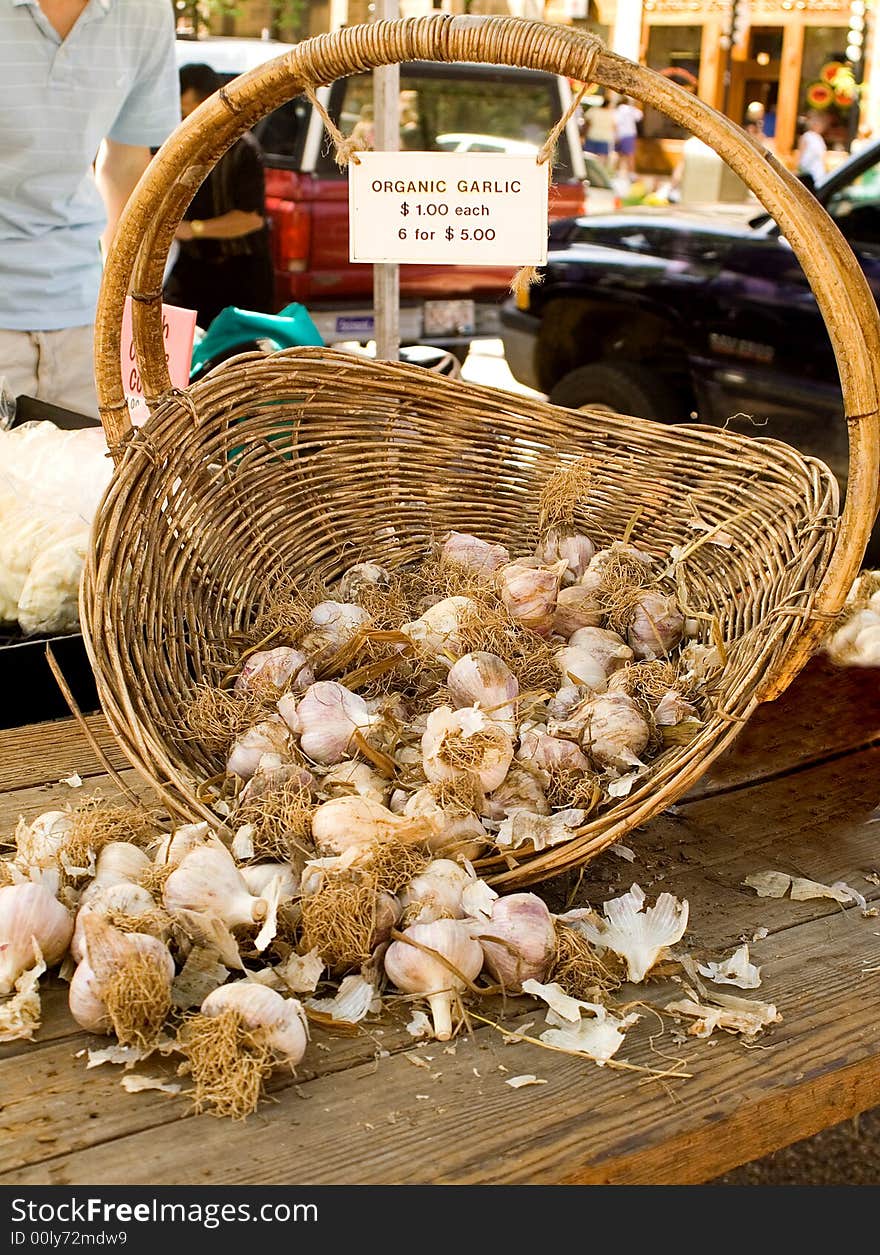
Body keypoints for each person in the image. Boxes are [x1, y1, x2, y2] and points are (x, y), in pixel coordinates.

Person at [0, 0, 180, 418]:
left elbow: (127, 161)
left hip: (85, 322)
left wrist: (127, 305)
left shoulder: (144, 11)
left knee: (93, 482)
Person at [163, 63, 276, 331]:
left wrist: (194, 229)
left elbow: (250, 219)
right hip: (190, 273)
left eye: (184, 109)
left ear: (207, 103)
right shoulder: (176, 148)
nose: (181, 118)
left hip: (240, 277)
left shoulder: (243, 149)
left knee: (241, 363)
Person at [797, 111, 829, 192]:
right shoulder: (806, 136)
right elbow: (801, 155)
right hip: (808, 171)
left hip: (818, 171)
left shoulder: (819, 138)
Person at [613, 96, 643, 180]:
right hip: (629, 134)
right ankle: (631, 174)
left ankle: (617, 173)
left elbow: (615, 124)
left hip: (620, 134)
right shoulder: (630, 109)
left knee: (619, 155)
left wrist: (616, 136)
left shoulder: (618, 110)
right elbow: (640, 116)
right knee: (630, 155)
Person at [583, 94, 615, 169]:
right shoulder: (611, 113)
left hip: (593, 135)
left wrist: (584, 134)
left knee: (589, 157)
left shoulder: (594, 110)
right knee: (601, 159)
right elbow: (614, 126)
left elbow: (587, 123)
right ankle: (599, 171)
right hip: (605, 138)